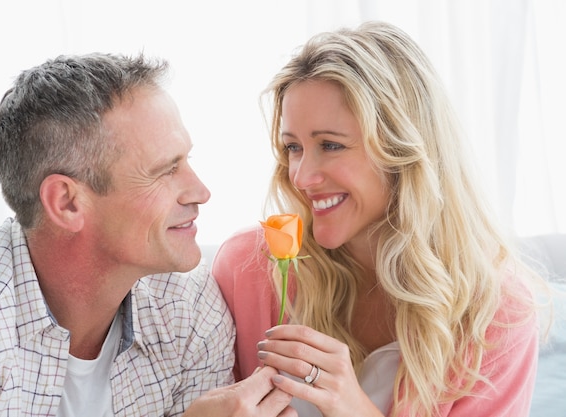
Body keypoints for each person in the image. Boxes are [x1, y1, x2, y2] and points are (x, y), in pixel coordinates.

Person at [212, 21, 544, 417]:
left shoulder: (496, 313)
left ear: (403, 150)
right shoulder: (246, 268)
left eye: (330, 145)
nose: (301, 176)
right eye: (293, 147)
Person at [0, 53, 294, 416]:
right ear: (67, 203)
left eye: (186, 161)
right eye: (164, 171)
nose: (200, 192)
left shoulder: (188, 308)